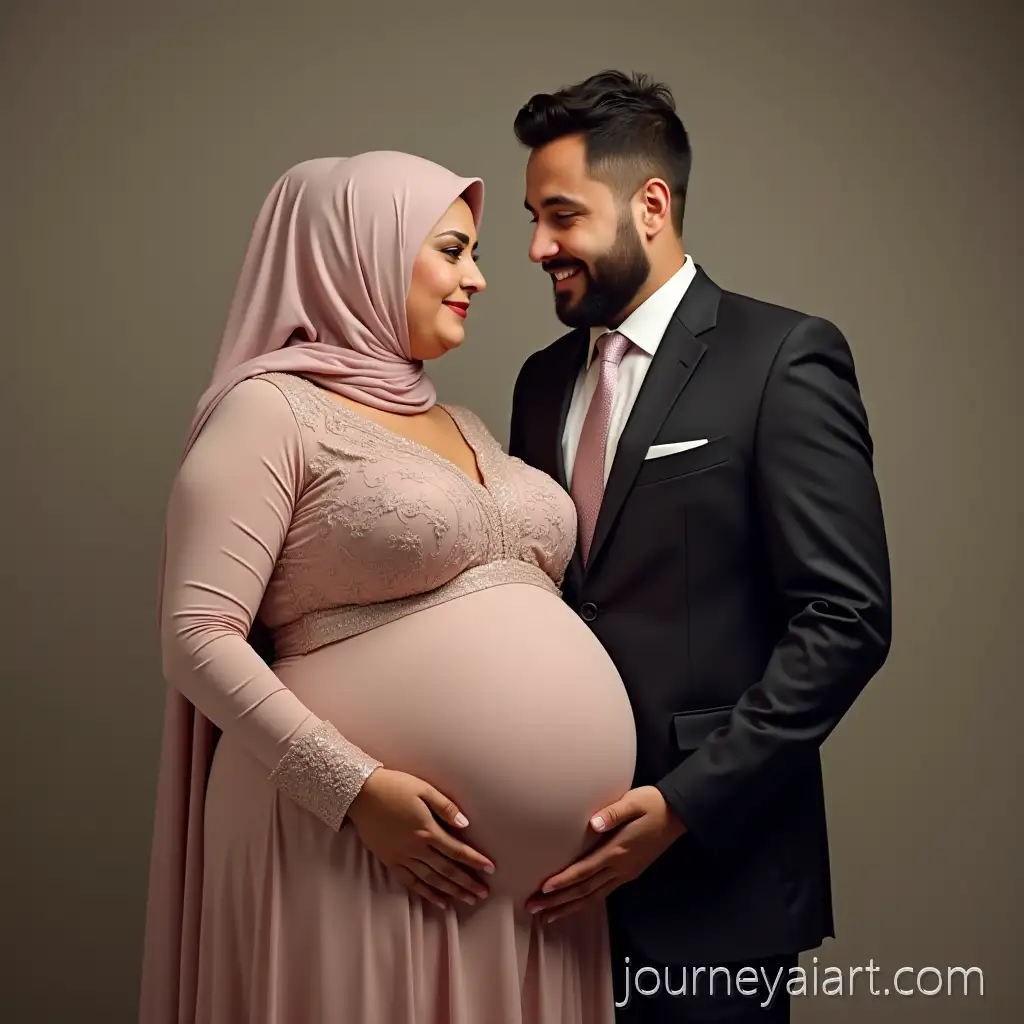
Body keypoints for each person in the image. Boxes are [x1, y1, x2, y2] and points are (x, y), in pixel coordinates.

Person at [138, 150, 637, 1024]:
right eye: (451, 251)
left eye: (474, 253)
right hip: (344, 847)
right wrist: (353, 789)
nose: (478, 277)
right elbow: (197, 635)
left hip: (535, 908)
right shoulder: (269, 411)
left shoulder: (464, 422)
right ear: (359, 254)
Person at [507, 71, 893, 1022]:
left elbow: (846, 620)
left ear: (651, 205)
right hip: (548, 887)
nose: (537, 247)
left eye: (561, 216)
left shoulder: (783, 358)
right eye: (533, 219)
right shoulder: (539, 382)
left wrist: (682, 804)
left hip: (719, 879)